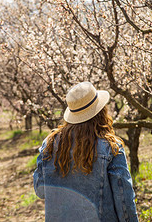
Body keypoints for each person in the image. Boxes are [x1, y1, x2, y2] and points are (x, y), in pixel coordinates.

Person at [33, 82, 138, 222]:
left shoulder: (50, 144)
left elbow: (40, 190)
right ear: (101, 111)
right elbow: (123, 199)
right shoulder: (110, 147)